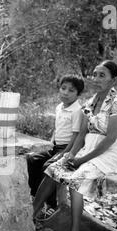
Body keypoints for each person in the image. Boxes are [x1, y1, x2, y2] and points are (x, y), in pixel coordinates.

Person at [33, 60, 117, 231]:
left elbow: (111, 139)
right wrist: (70, 155)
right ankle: (31, 215)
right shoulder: (90, 102)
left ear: (114, 80)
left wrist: (81, 160)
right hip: (89, 149)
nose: (96, 78)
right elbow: (81, 134)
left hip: (114, 153)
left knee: (76, 180)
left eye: (102, 75)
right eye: (94, 74)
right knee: (54, 169)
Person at [26, 75, 84, 213]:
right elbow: (57, 129)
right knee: (32, 159)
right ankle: (35, 194)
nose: (65, 92)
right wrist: (50, 143)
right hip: (56, 146)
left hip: (68, 147)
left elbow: (76, 135)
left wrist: (66, 153)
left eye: (71, 90)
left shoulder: (77, 111)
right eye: (63, 88)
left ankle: (49, 202)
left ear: (78, 94)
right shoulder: (59, 107)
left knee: (49, 167)